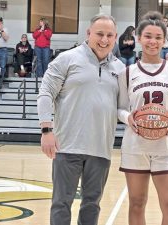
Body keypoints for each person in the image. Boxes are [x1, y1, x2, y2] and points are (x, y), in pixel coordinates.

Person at [37, 14, 125, 225]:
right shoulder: (67, 59)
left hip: (101, 148)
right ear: (88, 33)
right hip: (67, 145)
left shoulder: (121, 69)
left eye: (109, 35)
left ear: (115, 37)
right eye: (100, 34)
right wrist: (46, 130)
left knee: (92, 204)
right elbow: (45, 93)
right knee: (61, 203)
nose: (104, 40)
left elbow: (124, 109)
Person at [117, 11, 168, 225]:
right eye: (148, 36)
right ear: (139, 38)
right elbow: (120, 108)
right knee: (137, 202)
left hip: (166, 146)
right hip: (135, 146)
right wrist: (128, 117)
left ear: (164, 41)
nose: (153, 41)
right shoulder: (128, 72)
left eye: (158, 37)